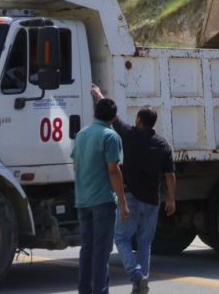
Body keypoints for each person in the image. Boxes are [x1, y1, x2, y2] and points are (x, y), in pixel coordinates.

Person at [91, 85, 176, 294]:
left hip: (131, 199)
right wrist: (171, 199)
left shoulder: (129, 135)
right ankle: (141, 285)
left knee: (121, 239)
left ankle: (136, 274)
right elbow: (169, 174)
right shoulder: (163, 144)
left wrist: (99, 95)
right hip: (153, 201)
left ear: (139, 121)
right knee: (145, 245)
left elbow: (113, 118)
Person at [71, 98, 131, 294]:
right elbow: (114, 171)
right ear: (113, 117)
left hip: (83, 200)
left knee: (86, 250)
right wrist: (123, 203)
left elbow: (76, 165)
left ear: (95, 112)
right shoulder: (110, 136)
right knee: (101, 252)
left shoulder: (81, 134)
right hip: (103, 201)